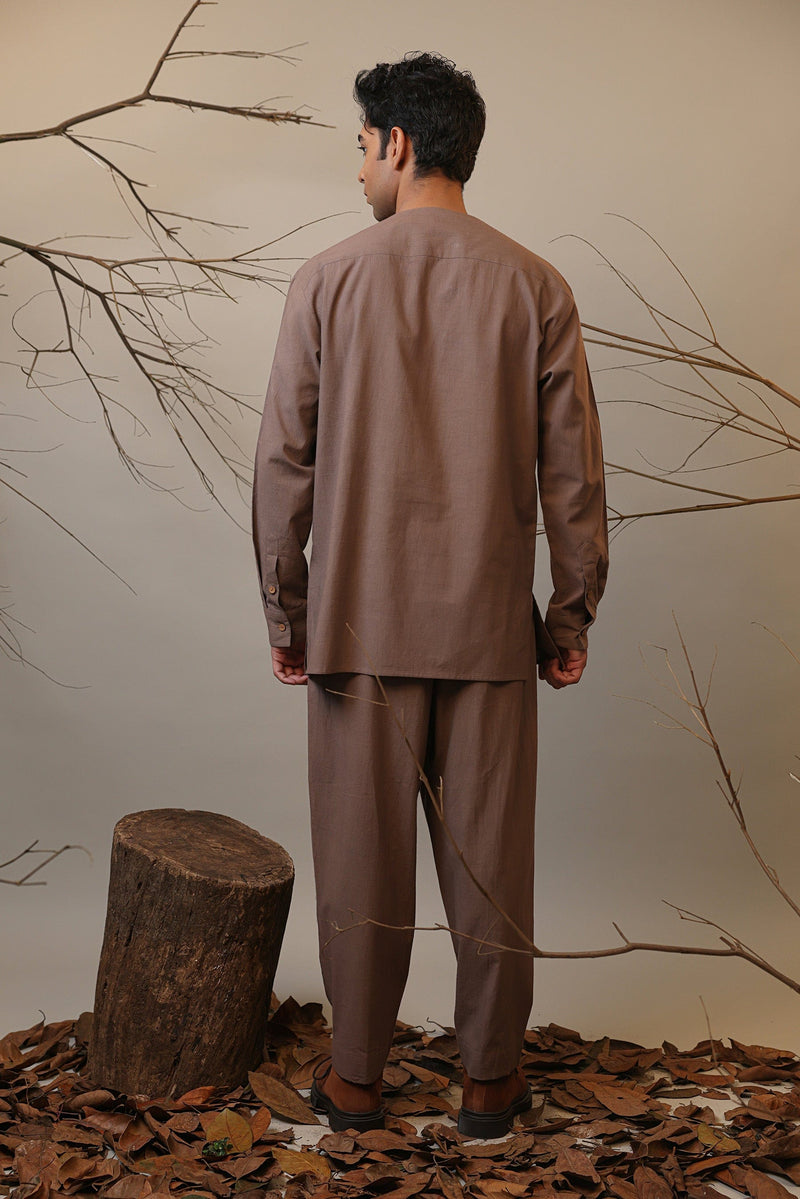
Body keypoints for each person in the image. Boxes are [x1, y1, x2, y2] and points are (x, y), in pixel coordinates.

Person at [252, 51, 608, 1140]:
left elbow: (283, 464)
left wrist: (288, 613)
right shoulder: (537, 286)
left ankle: (356, 1082)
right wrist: (568, 613)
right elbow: (574, 478)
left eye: (362, 145)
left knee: (360, 870)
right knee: (491, 872)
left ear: (398, 144)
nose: (358, 165)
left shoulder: (326, 279)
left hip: (356, 631)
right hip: (490, 634)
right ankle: (489, 1085)